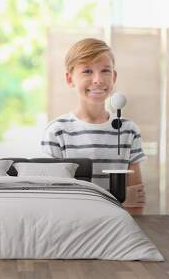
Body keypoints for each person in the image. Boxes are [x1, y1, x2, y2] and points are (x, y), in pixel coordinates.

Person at [41, 38, 146, 214]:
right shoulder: (56, 132)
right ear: (70, 79)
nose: (97, 80)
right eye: (87, 71)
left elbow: (135, 200)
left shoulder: (129, 131)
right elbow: (55, 199)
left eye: (105, 70)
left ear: (114, 76)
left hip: (119, 230)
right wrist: (117, 198)